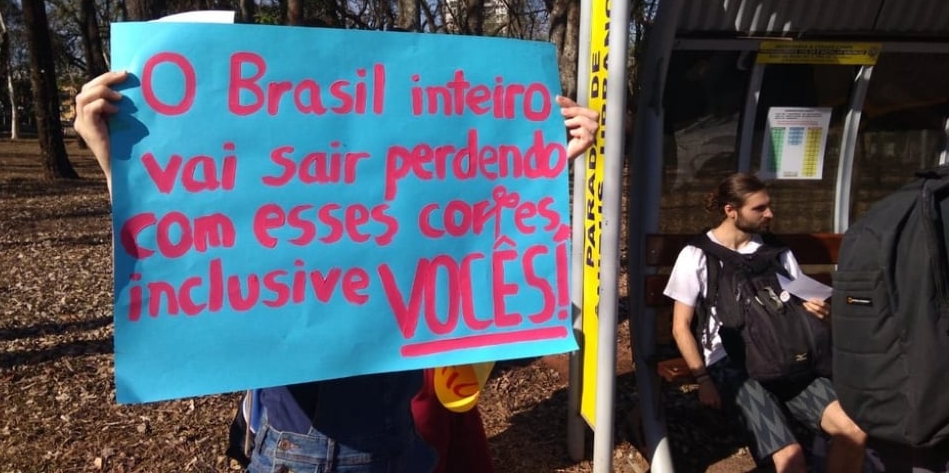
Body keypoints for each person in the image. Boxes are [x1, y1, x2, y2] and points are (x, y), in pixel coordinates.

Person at [74, 69, 600, 473]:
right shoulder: (275, 219)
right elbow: (188, 250)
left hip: (402, 441)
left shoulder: (409, 213)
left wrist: (543, 164)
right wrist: (113, 160)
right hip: (311, 451)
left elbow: (484, 240)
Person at [664, 172, 867, 473]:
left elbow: (798, 300)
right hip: (733, 363)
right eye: (759, 208)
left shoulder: (775, 251)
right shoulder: (697, 255)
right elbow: (680, 326)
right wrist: (703, 380)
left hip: (785, 353)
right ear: (730, 210)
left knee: (853, 432)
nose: (769, 214)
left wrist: (817, 311)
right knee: (791, 459)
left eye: (768, 206)